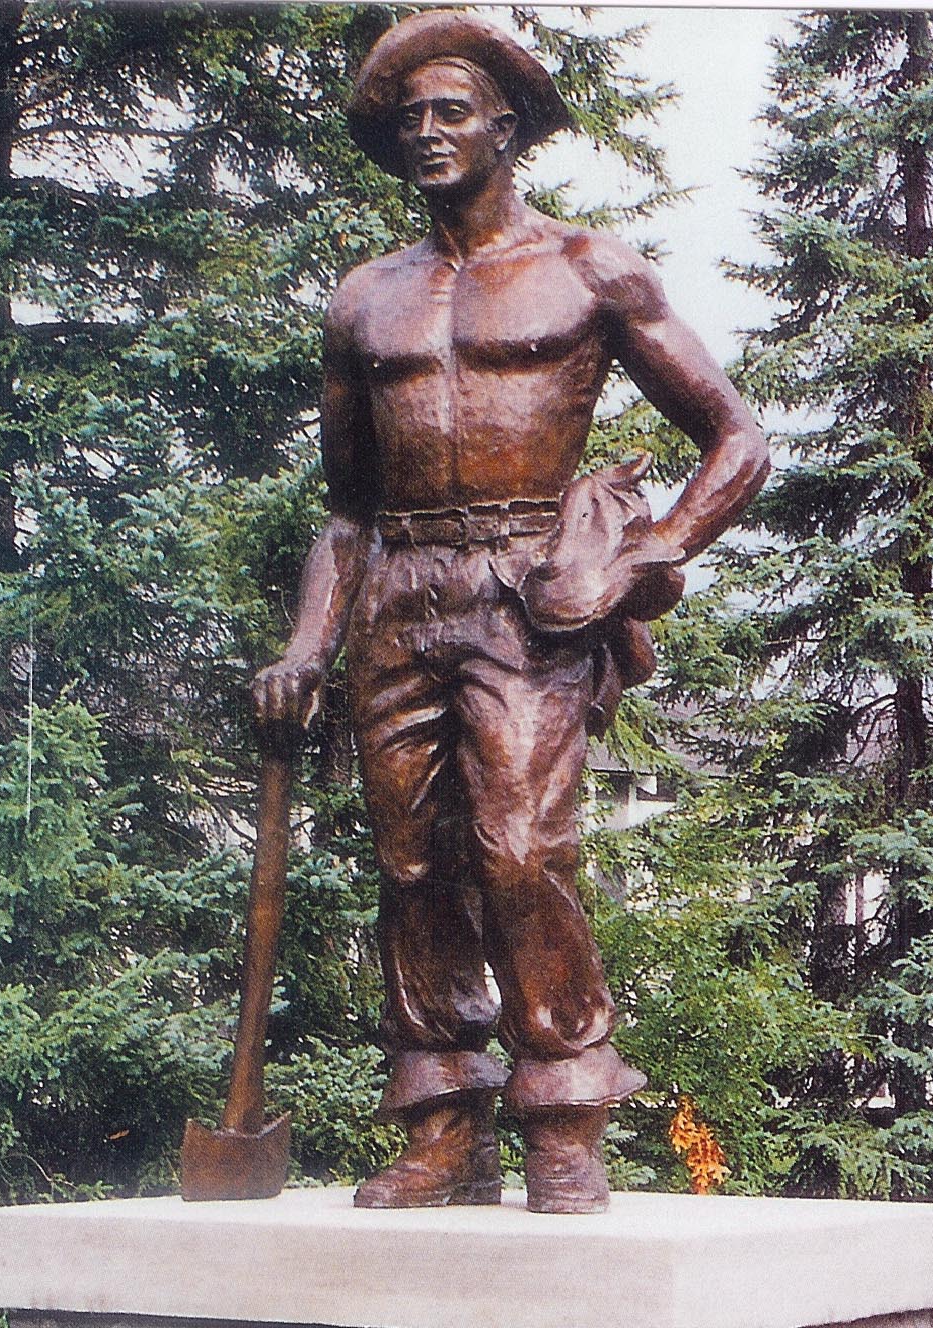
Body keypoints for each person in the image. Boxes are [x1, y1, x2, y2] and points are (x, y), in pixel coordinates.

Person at [252, 11, 769, 1213]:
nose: (424, 133)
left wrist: (645, 558)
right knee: (409, 859)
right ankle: (442, 1123)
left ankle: (565, 1104)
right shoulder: (363, 299)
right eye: (406, 119)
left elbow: (736, 439)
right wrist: (303, 646)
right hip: (398, 593)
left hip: (526, 598)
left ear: (506, 125)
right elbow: (345, 512)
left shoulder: (590, 268)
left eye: (449, 111)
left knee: (520, 848)